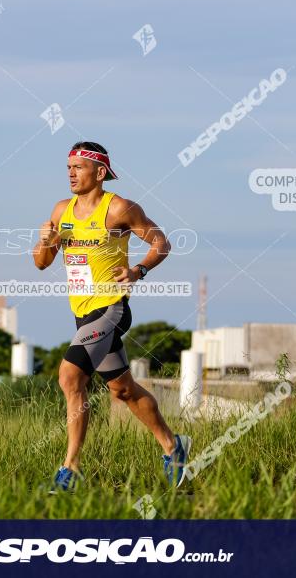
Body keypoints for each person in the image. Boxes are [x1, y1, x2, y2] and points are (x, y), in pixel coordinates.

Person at [32, 141, 191, 491]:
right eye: (68, 167)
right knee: (123, 391)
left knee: (70, 378)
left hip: (111, 309)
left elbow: (160, 242)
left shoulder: (119, 208)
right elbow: (42, 263)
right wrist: (44, 241)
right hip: (82, 313)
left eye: (79, 167)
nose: (71, 173)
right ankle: (173, 446)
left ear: (100, 173)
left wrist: (138, 270)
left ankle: (70, 469)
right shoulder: (62, 211)